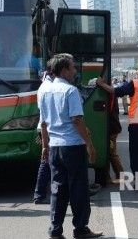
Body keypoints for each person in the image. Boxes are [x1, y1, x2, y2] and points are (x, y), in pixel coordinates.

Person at [39, 54, 103, 239]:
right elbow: (77, 120)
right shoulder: (70, 91)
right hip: (72, 147)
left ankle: (55, 230)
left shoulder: (45, 91)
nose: (75, 71)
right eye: (73, 67)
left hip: (54, 147)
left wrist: (45, 146)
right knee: (78, 190)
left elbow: (43, 123)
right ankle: (81, 228)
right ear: (65, 70)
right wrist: (90, 146)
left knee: (58, 190)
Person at [96, 64, 138, 190]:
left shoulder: (135, 83)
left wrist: (101, 84)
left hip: (136, 125)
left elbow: (116, 92)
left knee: (136, 153)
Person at [33, 61, 54, 205]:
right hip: (48, 128)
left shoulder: (46, 85)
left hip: (46, 127)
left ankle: (40, 194)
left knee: (47, 161)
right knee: (46, 162)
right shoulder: (48, 87)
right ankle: (39, 195)